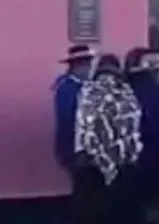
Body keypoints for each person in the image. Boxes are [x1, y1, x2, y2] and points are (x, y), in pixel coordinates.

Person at [74, 53, 144, 224]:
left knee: (92, 212)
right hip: (123, 163)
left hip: (90, 163)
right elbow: (134, 126)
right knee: (123, 212)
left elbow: (83, 127)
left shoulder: (87, 92)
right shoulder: (126, 93)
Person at [125, 47, 159, 224]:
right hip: (153, 158)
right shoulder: (157, 95)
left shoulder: (126, 91)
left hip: (130, 161)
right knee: (154, 206)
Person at [53, 45, 97, 223]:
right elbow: (69, 119)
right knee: (84, 191)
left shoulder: (72, 86)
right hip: (76, 148)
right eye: (86, 64)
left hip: (79, 148)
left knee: (86, 190)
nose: (89, 68)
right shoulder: (68, 88)